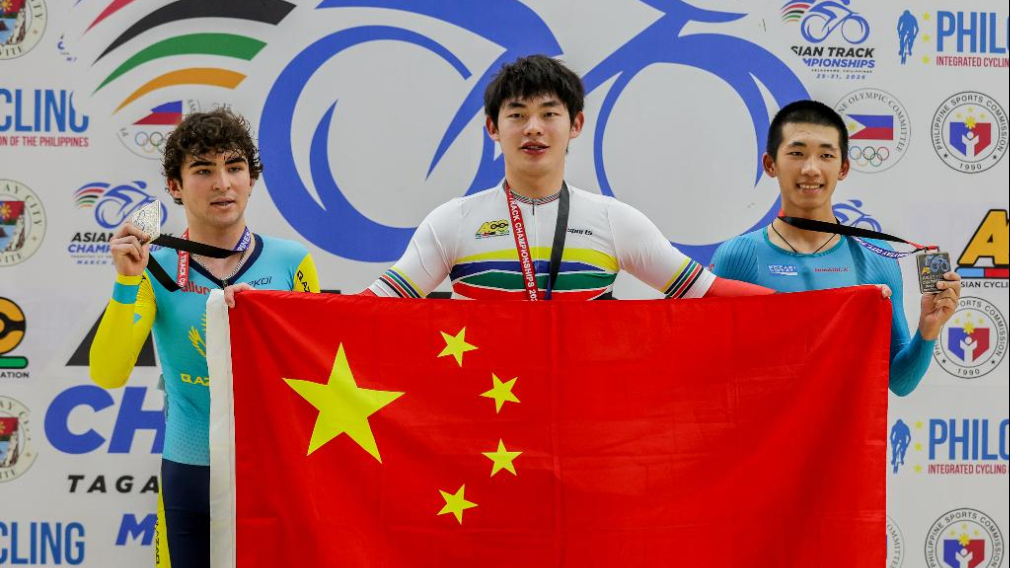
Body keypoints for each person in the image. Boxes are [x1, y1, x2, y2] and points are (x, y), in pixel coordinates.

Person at [90, 109, 320, 568]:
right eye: (202, 170)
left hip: (276, 472)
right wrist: (126, 282)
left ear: (252, 179)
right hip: (190, 472)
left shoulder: (292, 261)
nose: (222, 184)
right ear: (174, 186)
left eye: (234, 167)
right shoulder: (152, 268)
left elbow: (318, 370)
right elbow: (108, 373)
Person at [360, 54, 770, 301]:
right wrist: (313, 316)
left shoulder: (613, 220)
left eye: (549, 114)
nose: (533, 128)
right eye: (517, 114)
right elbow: (375, 305)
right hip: (486, 414)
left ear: (576, 124)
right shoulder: (454, 221)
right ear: (492, 128)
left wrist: (808, 307)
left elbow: (705, 291)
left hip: (582, 411)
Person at [710, 100, 961, 396]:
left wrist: (928, 330)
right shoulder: (738, 257)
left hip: (844, 429)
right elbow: (709, 372)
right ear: (770, 164)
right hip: (764, 427)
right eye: (797, 153)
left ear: (843, 168)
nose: (811, 169)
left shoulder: (875, 259)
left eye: (826, 155)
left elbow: (900, 382)